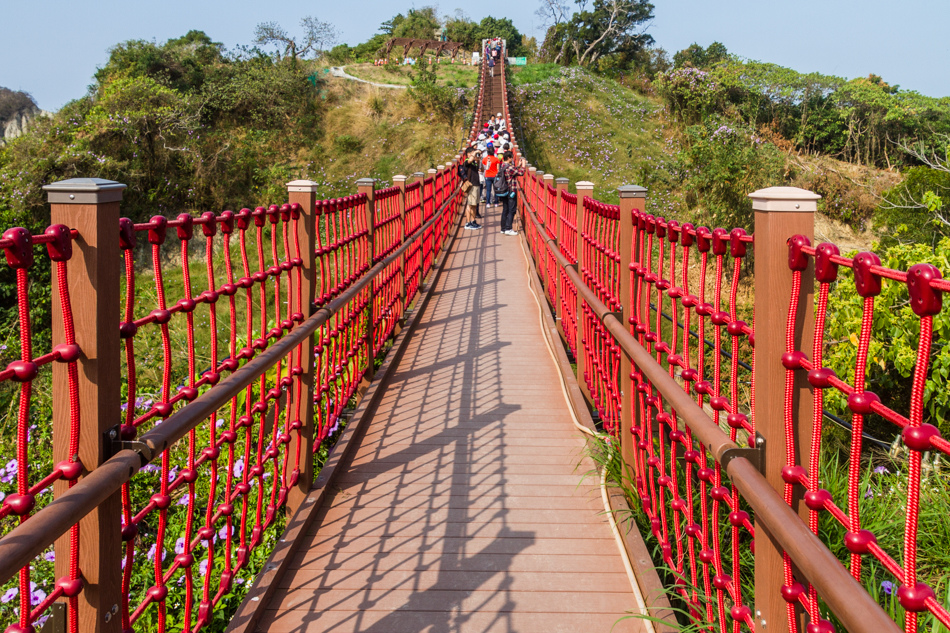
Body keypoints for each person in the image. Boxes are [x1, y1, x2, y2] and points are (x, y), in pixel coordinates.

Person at [496, 151, 526, 235]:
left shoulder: (502, 166)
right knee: (512, 210)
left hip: (504, 191)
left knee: (505, 209)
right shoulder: (510, 168)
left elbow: (512, 171)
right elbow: (521, 173)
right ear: (509, 158)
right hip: (511, 191)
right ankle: (508, 228)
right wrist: (523, 165)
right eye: (512, 158)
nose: (512, 159)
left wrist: (518, 166)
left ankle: (503, 228)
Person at [459, 147, 482, 230]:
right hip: (471, 185)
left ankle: (473, 221)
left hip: (476, 184)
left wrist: (479, 160)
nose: (475, 154)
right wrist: (475, 152)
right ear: (468, 154)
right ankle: (468, 222)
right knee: (470, 205)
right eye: (473, 153)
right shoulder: (466, 161)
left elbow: (481, 169)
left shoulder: (475, 162)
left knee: (474, 205)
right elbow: (469, 160)